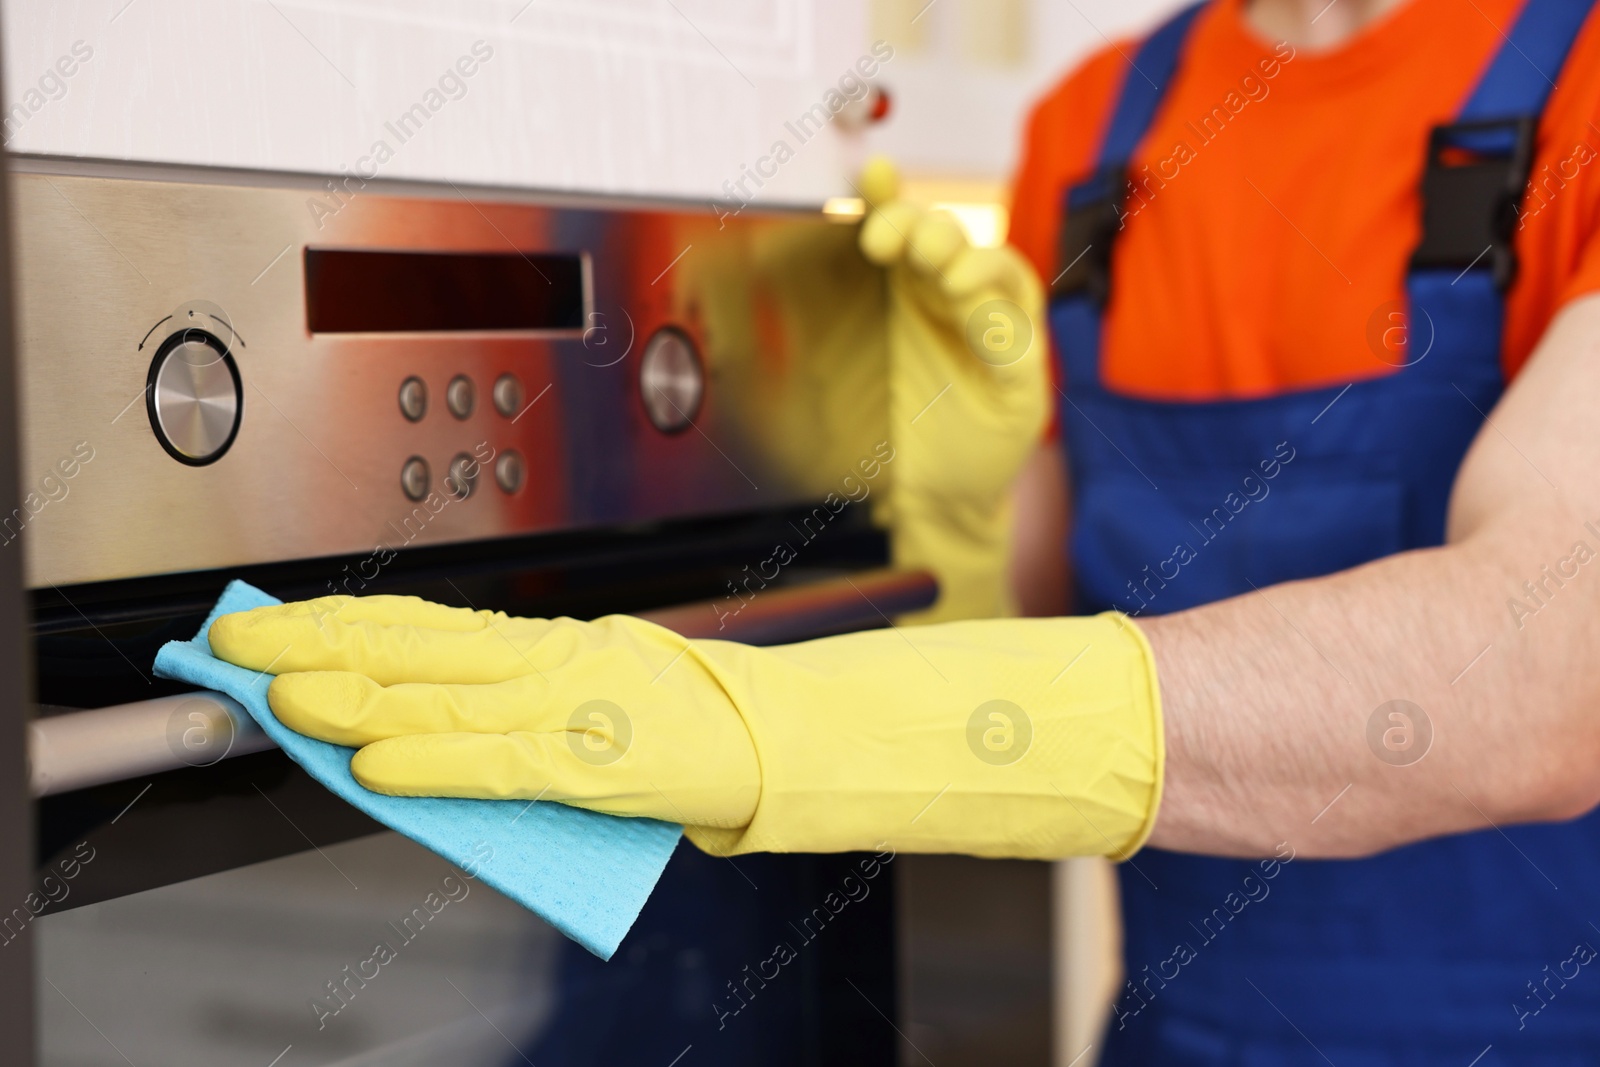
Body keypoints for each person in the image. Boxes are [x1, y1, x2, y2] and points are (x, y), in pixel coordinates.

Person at [211, 0, 1600, 1058]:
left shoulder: (1577, 82)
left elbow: (1538, 672)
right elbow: (1037, 634)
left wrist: (774, 725)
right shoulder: (1100, 133)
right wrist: (935, 510)